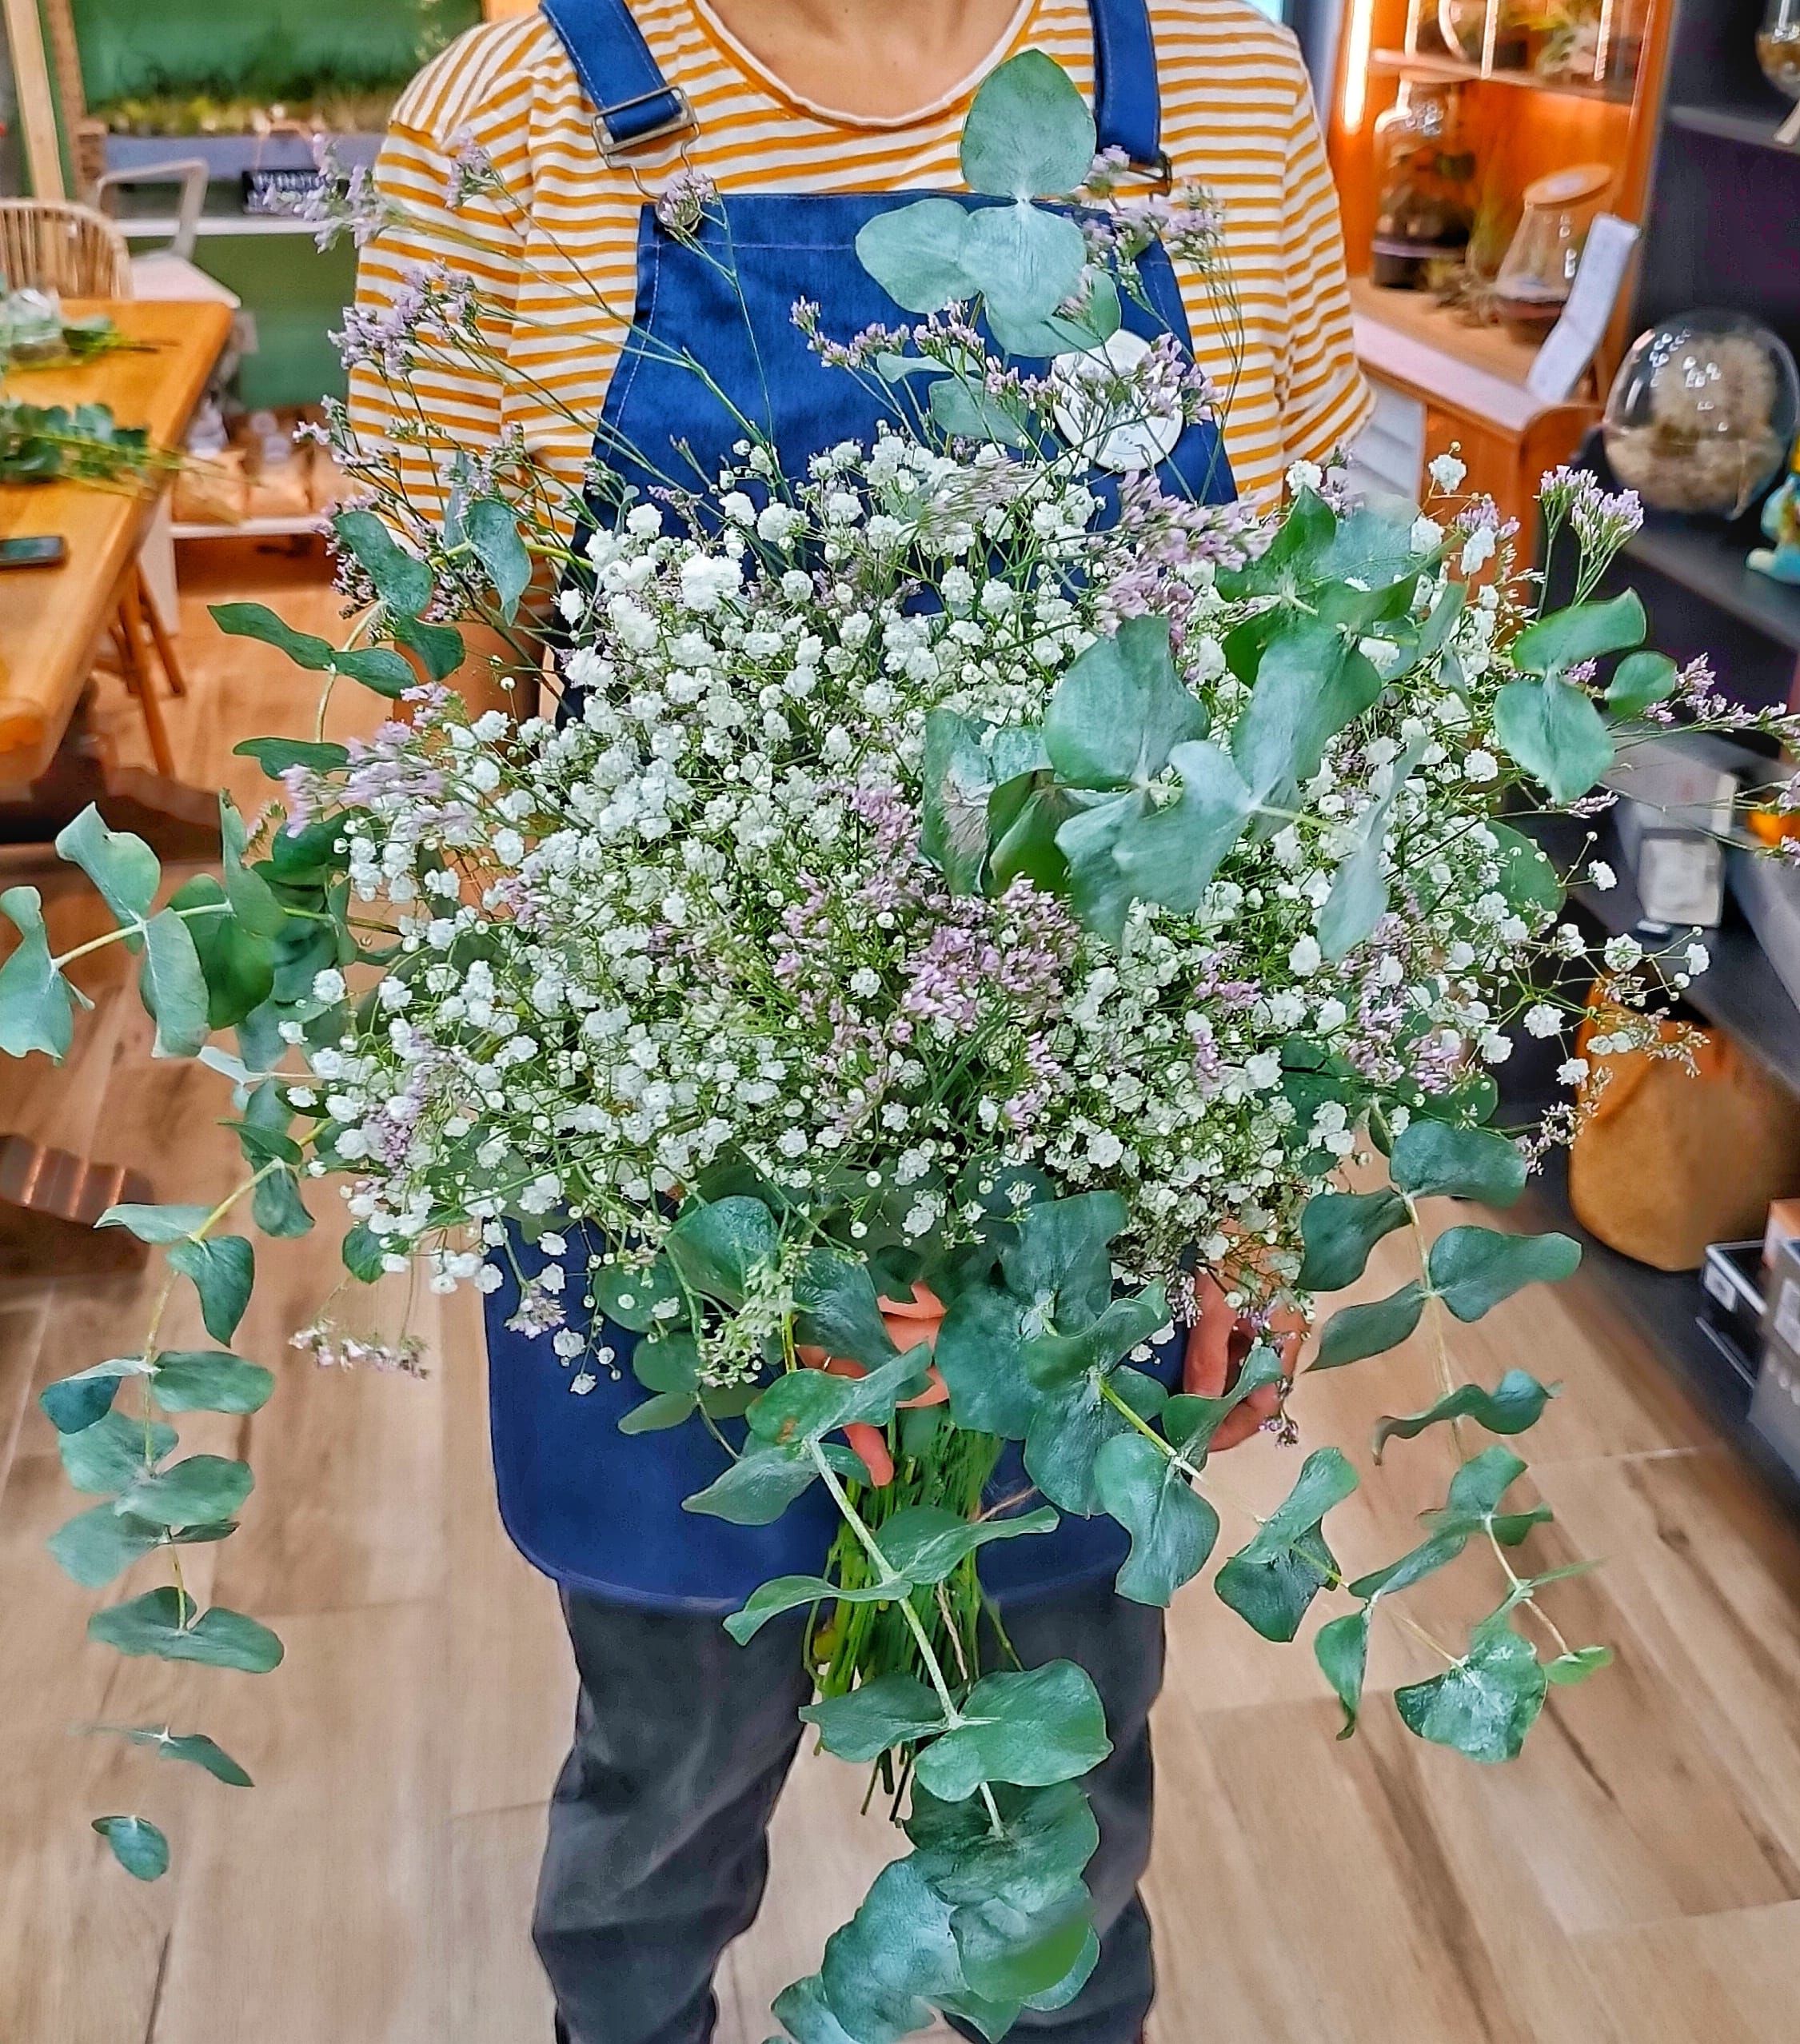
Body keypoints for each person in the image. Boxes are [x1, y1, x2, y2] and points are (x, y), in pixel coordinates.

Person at [349, 4, 1368, 2040]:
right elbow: (439, 747)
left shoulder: (1226, 95)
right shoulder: (510, 127)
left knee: (1058, 1797)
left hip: (1086, 1167)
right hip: (674, 1185)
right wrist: (736, 1223)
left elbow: (1290, 676)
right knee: (666, 1785)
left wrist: (1257, 1170)